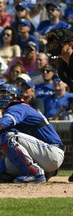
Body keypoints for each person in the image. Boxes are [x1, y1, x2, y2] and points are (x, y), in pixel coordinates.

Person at [46, 26, 73, 182]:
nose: (53, 45)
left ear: (69, 44)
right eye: (51, 41)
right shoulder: (63, 69)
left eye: (57, 41)